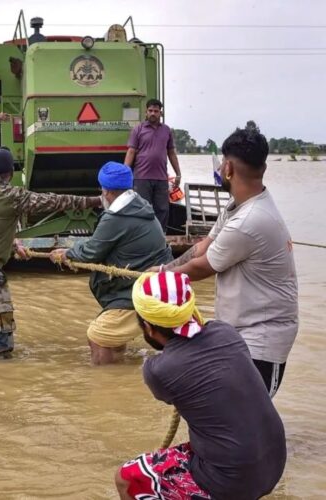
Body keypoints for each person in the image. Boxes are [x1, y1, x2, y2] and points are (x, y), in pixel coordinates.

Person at [116, 271, 286, 500]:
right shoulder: (225, 332)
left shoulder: (158, 370)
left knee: (126, 478)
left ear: (147, 327)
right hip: (274, 464)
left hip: (232, 480)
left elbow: (172, 390)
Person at [155, 125, 298, 397]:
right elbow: (202, 248)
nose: (220, 168)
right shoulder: (236, 208)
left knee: (248, 423)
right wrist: (163, 269)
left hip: (261, 342)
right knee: (227, 419)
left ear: (229, 168)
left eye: (222, 163)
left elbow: (202, 266)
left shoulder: (249, 220)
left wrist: (159, 278)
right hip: (239, 334)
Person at [0, 148, 102, 358]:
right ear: (10, 173)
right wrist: (97, 201)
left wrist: (13, 246)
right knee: (1, 347)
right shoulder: (10, 195)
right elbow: (55, 201)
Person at [49, 162, 172, 364]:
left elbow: (91, 252)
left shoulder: (115, 218)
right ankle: (120, 375)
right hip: (155, 286)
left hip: (137, 291)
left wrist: (67, 253)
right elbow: (100, 244)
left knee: (98, 337)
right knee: (112, 337)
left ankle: (105, 386)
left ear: (106, 192)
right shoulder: (140, 205)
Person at [123, 99, 181, 232]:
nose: (153, 113)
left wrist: (178, 173)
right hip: (141, 177)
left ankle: (160, 236)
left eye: (156, 111)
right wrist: (125, 173)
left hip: (161, 178)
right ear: (146, 112)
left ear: (161, 113)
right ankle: (142, 236)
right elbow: (131, 151)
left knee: (163, 209)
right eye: (150, 111)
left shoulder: (166, 130)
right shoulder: (138, 129)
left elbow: (171, 153)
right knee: (142, 209)